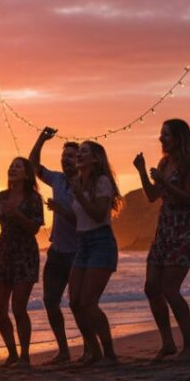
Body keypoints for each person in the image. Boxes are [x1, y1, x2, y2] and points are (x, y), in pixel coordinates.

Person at [134, 119, 190, 362]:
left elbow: (189, 198)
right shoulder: (165, 163)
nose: (161, 139)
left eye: (165, 135)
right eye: (161, 134)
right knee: (151, 287)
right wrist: (142, 171)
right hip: (164, 228)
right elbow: (153, 196)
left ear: (179, 137)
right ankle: (167, 343)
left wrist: (164, 182)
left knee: (170, 289)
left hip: (183, 227)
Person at [0, 157, 44, 368]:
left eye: (18, 166)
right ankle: (12, 354)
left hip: (25, 253)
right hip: (4, 251)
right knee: (0, 307)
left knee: (18, 307)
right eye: (11, 166)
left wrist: (16, 213)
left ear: (27, 175)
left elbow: (34, 228)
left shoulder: (34, 198)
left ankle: (25, 355)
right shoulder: (1, 196)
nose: (12, 169)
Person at [67, 141, 122, 366]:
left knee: (89, 302)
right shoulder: (78, 182)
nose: (78, 155)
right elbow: (78, 218)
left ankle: (109, 354)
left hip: (101, 241)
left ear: (96, 158)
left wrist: (80, 196)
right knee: (74, 302)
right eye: (78, 152)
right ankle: (94, 351)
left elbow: (99, 215)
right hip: (82, 242)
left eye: (83, 152)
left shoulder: (102, 182)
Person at [29, 128, 80, 364]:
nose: (65, 159)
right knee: (50, 301)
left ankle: (91, 348)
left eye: (70, 156)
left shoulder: (85, 184)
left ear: (80, 160)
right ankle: (63, 350)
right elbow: (33, 166)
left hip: (79, 253)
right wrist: (41, 140)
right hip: (57, 251)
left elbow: (85, 219)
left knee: (79, 303)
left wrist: (61, 210)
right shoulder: (57, 179)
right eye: (64, 155)